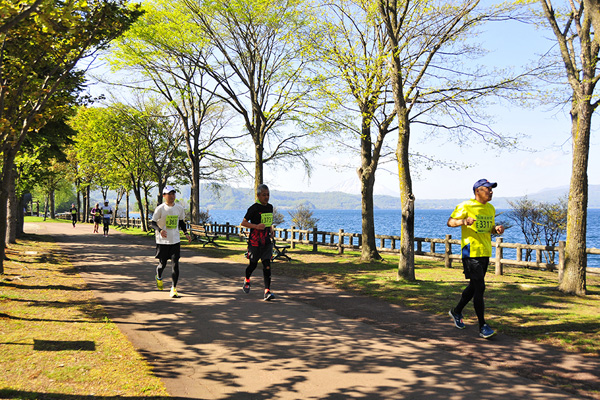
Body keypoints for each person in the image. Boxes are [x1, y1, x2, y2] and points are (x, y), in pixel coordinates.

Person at [447, 178, 505, 339]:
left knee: (474, 285)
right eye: (488, 189)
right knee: (480, 287)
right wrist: (464, 221)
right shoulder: (466, 206)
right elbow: (450, 222)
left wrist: (496, 229)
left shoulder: (491, 208)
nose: (491, 191)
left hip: (485, 251)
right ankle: (483, 326)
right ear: (478, 191)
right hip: (469, 251)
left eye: (492, 189)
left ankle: (456, 311)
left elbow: (489, 229)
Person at [150, 185, 191, 298]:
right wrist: (160, 230)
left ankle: (173, 288)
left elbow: (181, 222)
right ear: (164, 196)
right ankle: (158, 276)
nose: (172, 196)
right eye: (170, 194)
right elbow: (153, 223)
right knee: (162, 264)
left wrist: (186, 233)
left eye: (173, 194)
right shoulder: (160, 209)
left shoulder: (179, 208)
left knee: (175, 264)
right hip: (162, 241)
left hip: (175, 240)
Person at [241, 184, 275, 301]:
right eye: (264, 195)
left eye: (268, 195)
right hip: (255, 242)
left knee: (267, 265)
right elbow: (244, 223)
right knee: (253, 264)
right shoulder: (253, 208)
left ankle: (267, 291)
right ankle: (247, 279)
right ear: (258, 195)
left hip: (266, 241)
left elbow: (269, 221)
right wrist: (256, 226)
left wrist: (271, 229)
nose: (266, 197)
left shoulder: (270, 207)